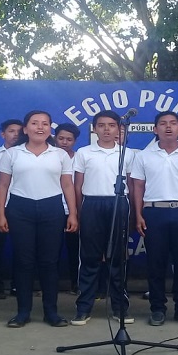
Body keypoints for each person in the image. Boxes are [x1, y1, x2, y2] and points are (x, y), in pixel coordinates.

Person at [0, 110, 78, 328]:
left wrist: (72, 213)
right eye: (34, 123)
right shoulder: (12, 154)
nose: (40, 127)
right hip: (19, 208)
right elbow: (3, 185)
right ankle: (23, 312)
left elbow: (67, 185)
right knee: (23, 261)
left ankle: (51, 312)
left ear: (50, 129)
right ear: (25, 129)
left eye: (44, 124)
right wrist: (0, 213)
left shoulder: (59, 155)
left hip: (52, 209)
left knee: (49, 262)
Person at [131, 111, 178, 327]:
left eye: (173, 123)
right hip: (154, 212)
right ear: (155, 129)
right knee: (155, 264)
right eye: (163, 123)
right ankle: (157, 309)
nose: (168, 127)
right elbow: (138, 186)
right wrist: (138, 214)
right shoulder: (143, 156)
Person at [70, 111, 134, 325]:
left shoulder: (127, 154)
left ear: (118, 128)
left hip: (119, 203)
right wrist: (78, 212)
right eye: (101, 125)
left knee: (118, 258)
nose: (107, 129)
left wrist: (133, 213)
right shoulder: (84, 153)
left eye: (111, 125)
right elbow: (77, 185)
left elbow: (132, 185)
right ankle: (83, 308)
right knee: (89, 258)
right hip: (92, 204)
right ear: (94, 128)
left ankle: (120, 308)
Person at [0, 119, 23, 299]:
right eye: (11, 131)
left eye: (19, 131)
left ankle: (19, 285)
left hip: (20, 207)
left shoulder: (25, 155)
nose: (16, 134)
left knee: (22, 248)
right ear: (3, 134)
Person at [55, 123, 81, 295]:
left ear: (75, 141)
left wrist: (76, 211)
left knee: (75, 250)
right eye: (61, 138)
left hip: (74, 211)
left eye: (69, 139)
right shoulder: (49, 156)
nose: (64, 142)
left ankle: (76, 284)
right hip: (53, 210)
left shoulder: (80, 157)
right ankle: (49, 284)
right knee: (51, 250)